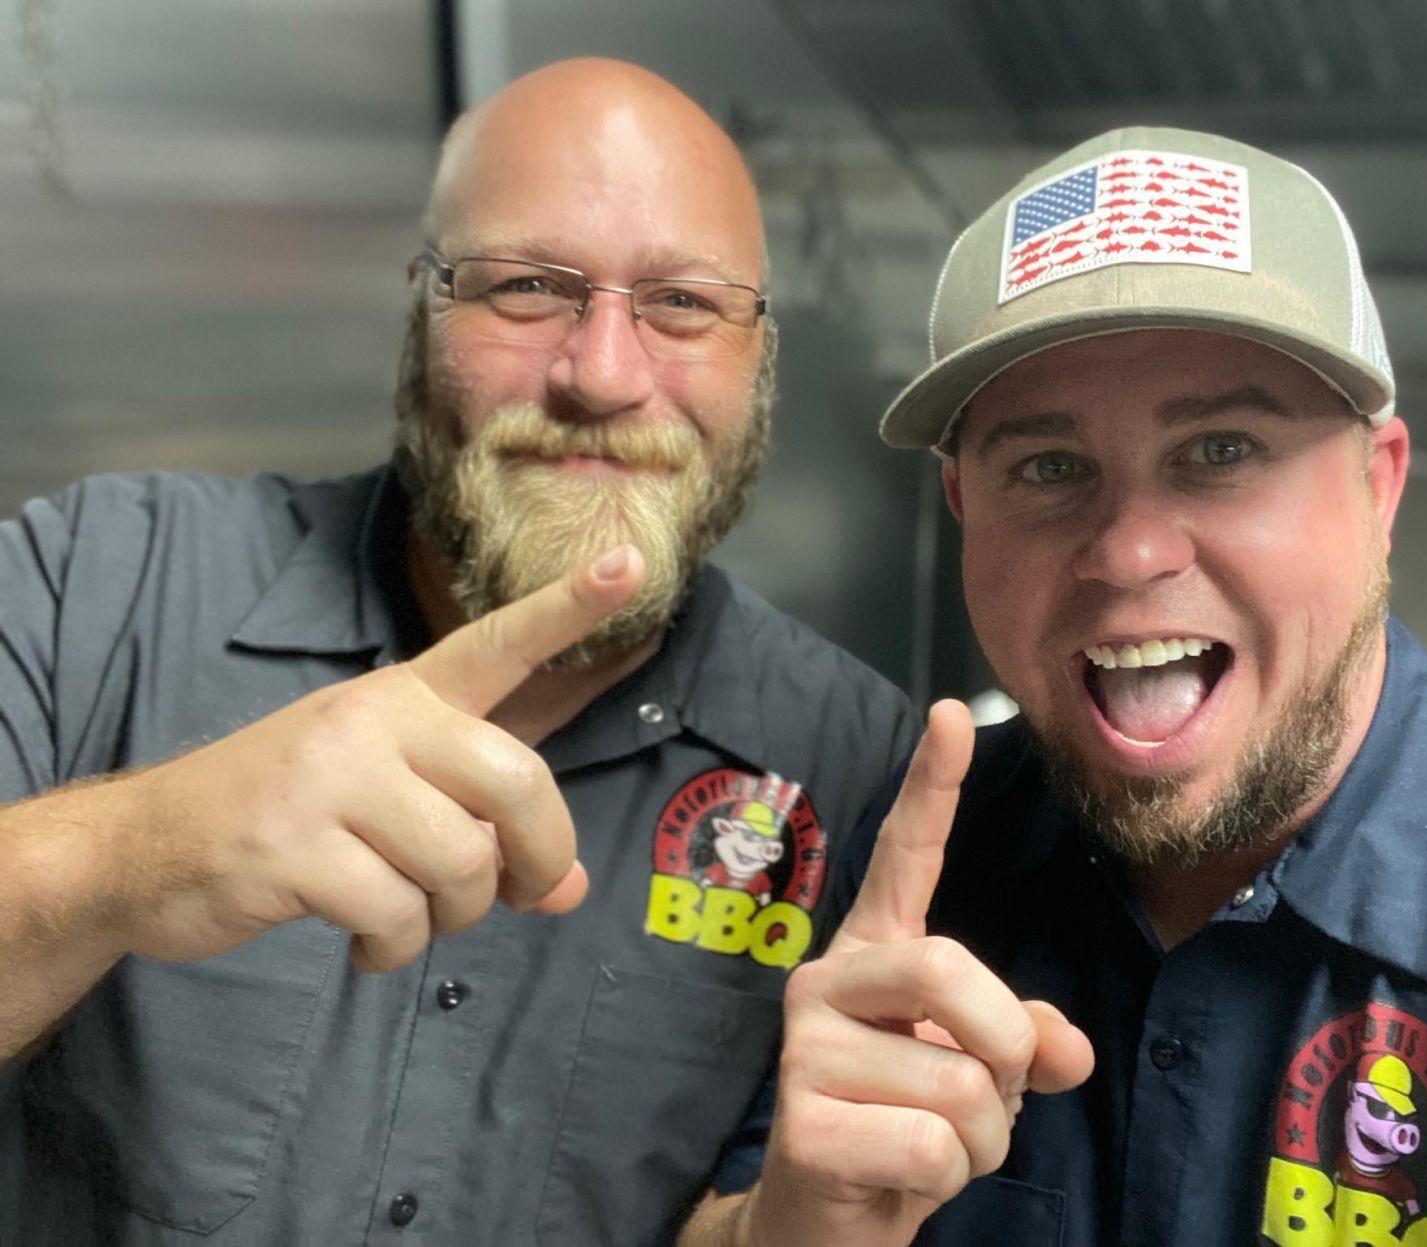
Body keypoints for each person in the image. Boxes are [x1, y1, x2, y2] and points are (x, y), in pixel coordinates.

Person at [682, 127, 1427, 1245]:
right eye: (1048, 467)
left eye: (1223, 449)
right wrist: (789, 1228)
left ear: (1378, 485)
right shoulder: (904, 871)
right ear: (963, 511)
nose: (1130, 551)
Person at [0, 58, 918, 1245]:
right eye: (530, 286)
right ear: (421, 307)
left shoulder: (855, 767)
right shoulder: (98, 580)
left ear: (761, 354)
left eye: (683, 303)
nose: (602, 375)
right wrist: (133, 851)